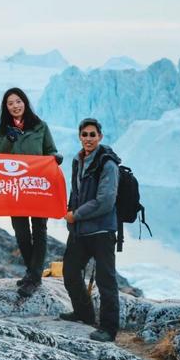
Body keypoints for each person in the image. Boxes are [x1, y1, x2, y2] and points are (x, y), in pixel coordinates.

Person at [0, 87, 62, 298]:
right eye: (10, 103)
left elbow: (50, 150)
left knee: (39, 230)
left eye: (18, 101)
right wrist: (10, 138)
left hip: (37, 185)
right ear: (6, 108)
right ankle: (32, 271)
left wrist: (55, 157)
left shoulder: (40, 126)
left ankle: (34, 278)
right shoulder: (4, 130)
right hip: (16, 189)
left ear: (25, 102)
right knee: (21, 232)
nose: (15, 106)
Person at [60, 117, 121, 343]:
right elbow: (75, 193)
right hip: (80, 231)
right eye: (84, 134)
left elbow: (105, 200)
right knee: (70, 271)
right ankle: (83, 313)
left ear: (100, 137)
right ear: (79, 136)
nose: (88, 139)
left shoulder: (108, 164)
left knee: (106, 281)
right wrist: (69, 213)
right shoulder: (78, 160)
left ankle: (108, 328)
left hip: (102, 231)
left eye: (92, 134)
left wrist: (76, 215)